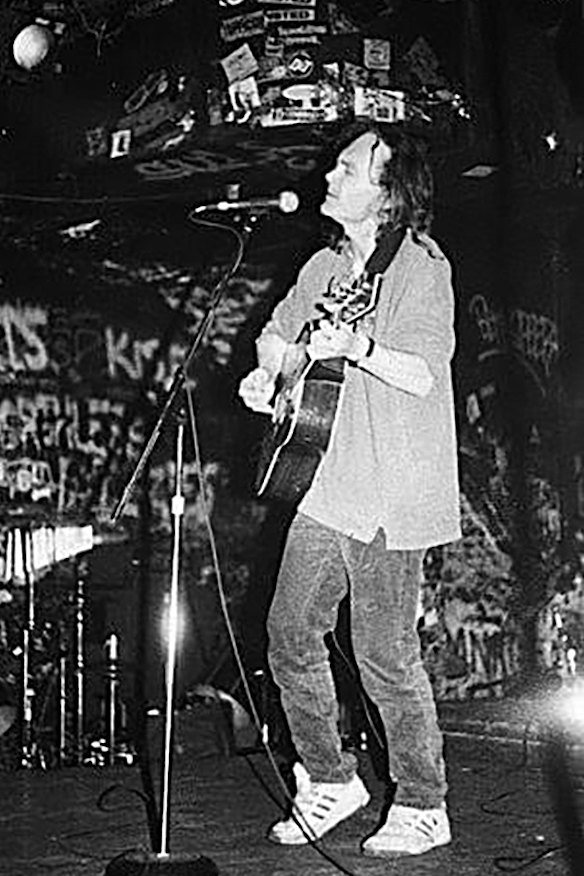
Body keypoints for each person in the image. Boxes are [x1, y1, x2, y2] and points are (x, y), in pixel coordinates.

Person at [238, 120, 461, 858]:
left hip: (393, 492)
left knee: (384, 655)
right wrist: (269, 371)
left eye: (347, 168)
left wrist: (359, 347)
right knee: (289, 635)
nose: (329, 176)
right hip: (328, 483)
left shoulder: (422, 266)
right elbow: (279, 334)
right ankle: (332, 780)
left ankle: (426, 804)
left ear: (388, 194)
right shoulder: (326, 266)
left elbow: (425, 373)